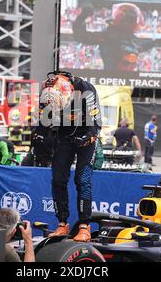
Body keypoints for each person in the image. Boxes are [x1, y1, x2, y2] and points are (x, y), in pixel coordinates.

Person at [35, 72, 101, 242]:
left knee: (82, 179)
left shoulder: (85, 90)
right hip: (64, 134)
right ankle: (62, 224)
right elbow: (43, 121)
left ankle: (84, 226)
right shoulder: (46, 89)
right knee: (57, 179)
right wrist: (40, 137)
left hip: (86, 133)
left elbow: (95, 124)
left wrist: (88, 137)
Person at [72, 0, 161, 72]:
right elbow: (81, 37)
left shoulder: (132, 39)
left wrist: (157, 42)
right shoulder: (109, 35)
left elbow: (141, 47)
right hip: (112, 81)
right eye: (128, 19)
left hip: (128, 82)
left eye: (131, 19)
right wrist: (82, 17)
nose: (129, 22)